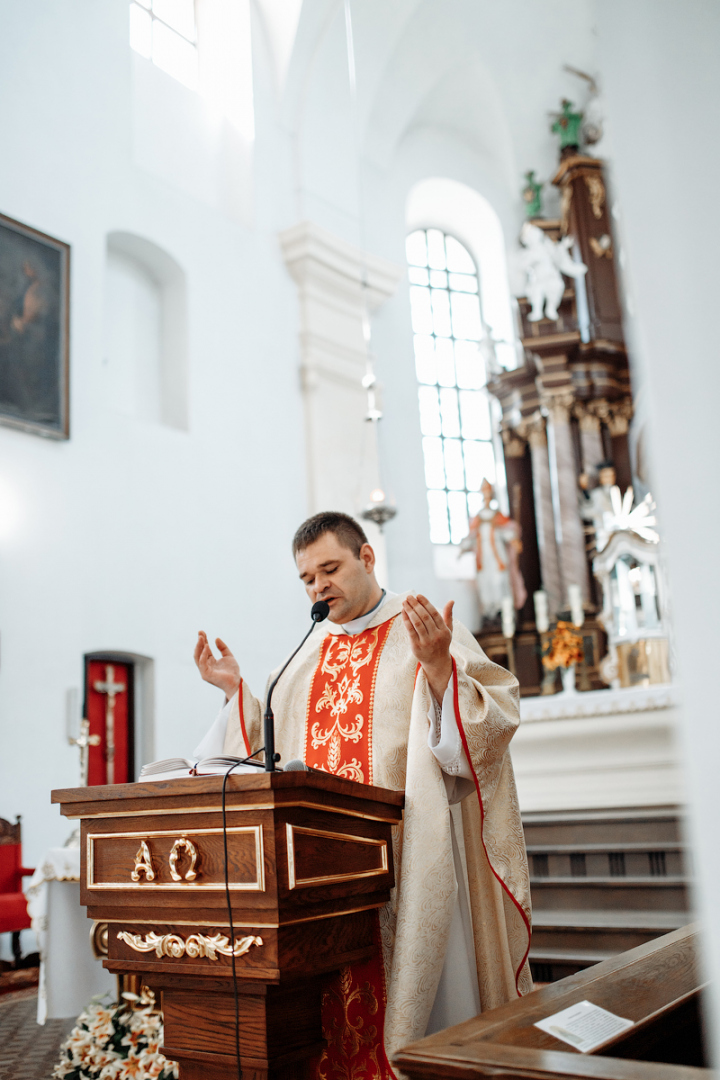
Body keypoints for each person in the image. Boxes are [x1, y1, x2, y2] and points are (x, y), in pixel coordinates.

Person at [193, 511, 531, 1077]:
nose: (319, 586)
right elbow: (265, 755)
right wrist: (235, 694)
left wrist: (440, 668)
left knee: (425, 1010)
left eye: (330, 569)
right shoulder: (303, 657)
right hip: (323, 885)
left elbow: (486, 728)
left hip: (412, 864)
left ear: (367, 558)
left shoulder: (422, 627)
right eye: (307, 578)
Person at [459, 479, 527, 624]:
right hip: (483, 556)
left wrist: (513, 539)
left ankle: (504, 610)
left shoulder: (497, 515)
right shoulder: (478, 517)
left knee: (500, 580)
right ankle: (490, 611)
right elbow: (472, 537)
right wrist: (463, 549)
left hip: (498, 554)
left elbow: (505, 532)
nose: (487, 497)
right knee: (486, 581)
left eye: (489, 493)